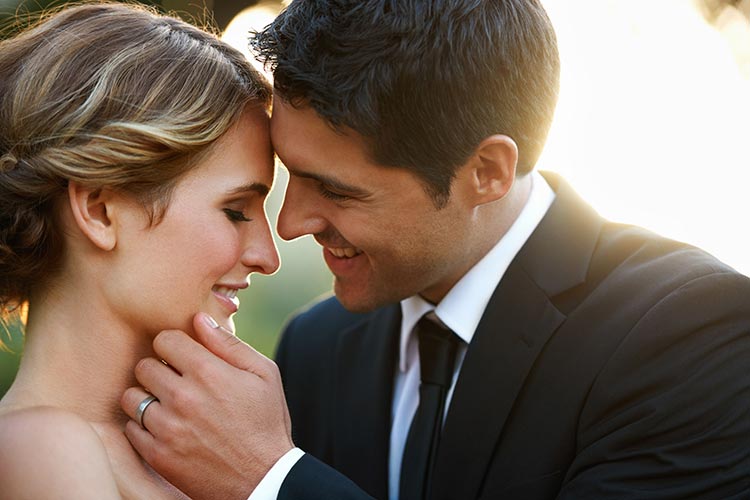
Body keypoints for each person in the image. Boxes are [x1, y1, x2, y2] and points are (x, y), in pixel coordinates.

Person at [122, 0, 750, 499]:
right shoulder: (314, 349)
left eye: (337, 191)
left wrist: (273, 482)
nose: (289, 225)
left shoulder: (688, 333)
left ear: (487, 172)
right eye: (293, 173)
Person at [0, 3, 280, 498]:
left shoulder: (201, 462)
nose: (267, 256)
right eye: (236, 210)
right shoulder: (42, 449)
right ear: (99, 209)